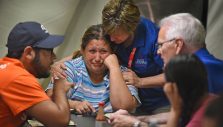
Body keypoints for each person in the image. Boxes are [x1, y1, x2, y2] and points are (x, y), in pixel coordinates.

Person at [46, 24, 140, 114]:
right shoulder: (69, 68)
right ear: (82, 51)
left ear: (112, 52)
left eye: (103, 51)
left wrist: (114, 68)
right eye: (92, 51)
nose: (97, 58)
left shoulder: (123, 73)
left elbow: (126, 107)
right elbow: (49, 98)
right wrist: (75, 104)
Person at [108, 54, 217, 127]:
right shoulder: (200, 100)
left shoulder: (208, 113)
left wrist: (135, 124)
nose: (165, 88)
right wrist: (133, 118)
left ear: (175, 87)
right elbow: (168, 117)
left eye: (167, 81)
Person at [102, 0, 169, 115]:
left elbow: (174, 74)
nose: (111, 39)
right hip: (131, 101)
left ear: (132, 29)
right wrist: (61, 64)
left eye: (116, 35)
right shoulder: (112, 25)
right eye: (109, 33)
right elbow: (91, 47)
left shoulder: (155, 39)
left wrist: (140, 81)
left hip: (159, 103)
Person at [0, 22, 73, 127]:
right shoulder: (18, 78)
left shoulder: (7, 67)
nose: (54, 57)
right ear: (29, 53)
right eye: (49, 51)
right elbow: (60, 121)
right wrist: (60, 88)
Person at [157, 13, 223, 94]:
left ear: (178, 44)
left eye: (161, 45)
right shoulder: (208, 67)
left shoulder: (199, 70)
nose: (158, 51)